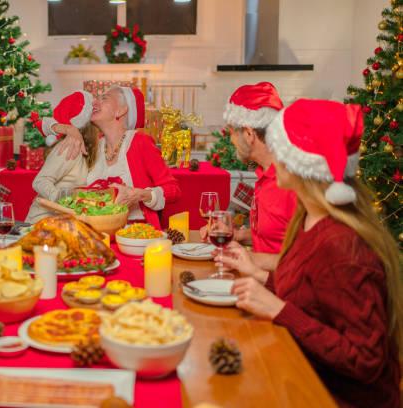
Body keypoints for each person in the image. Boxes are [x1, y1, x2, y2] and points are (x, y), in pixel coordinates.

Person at [226, 99, 401, 407]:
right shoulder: (307, 218)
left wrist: (279, 310)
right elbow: (311, 295)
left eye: (280, 149)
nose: (273, 157)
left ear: (301, 163)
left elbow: (366, 359)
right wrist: (261, 278)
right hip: (300, 372)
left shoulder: (342, 245)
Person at [57, 86, 181, 228]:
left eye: (104, 98)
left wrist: (139, 194)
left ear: (121, 110)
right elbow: (51, 125)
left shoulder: (140, 142)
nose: (94, 103)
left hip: (135, 232)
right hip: (95, 231)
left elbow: (174, 189)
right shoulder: (93, 145)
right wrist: (70, 130)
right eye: (96, 98)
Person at [200, 82, 296, 260]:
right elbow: (275, 234)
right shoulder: (265, 173)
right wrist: (238, 235)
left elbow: (302, 260)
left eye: (232, 133)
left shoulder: (288, 182)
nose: (231, 140)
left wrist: (248, 259)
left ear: (249, 134)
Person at [25, 91, 98, 223]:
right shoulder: (69, 148)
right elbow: (40, 181)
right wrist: (63, 201)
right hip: (42, 223)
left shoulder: (85, 148)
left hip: (61, 221)